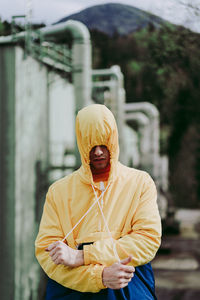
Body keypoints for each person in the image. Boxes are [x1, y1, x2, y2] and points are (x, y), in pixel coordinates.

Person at [35, 104, 161, 299]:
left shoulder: (139, 183)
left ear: (114, 140)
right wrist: (99, 277)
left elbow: (147, 240)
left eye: (104, 143)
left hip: (128, 280)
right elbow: (47, 253)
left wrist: (81, 256)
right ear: (81, 143)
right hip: (73, 287)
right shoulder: (59, 191)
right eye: (91, 145)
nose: (99, 152)